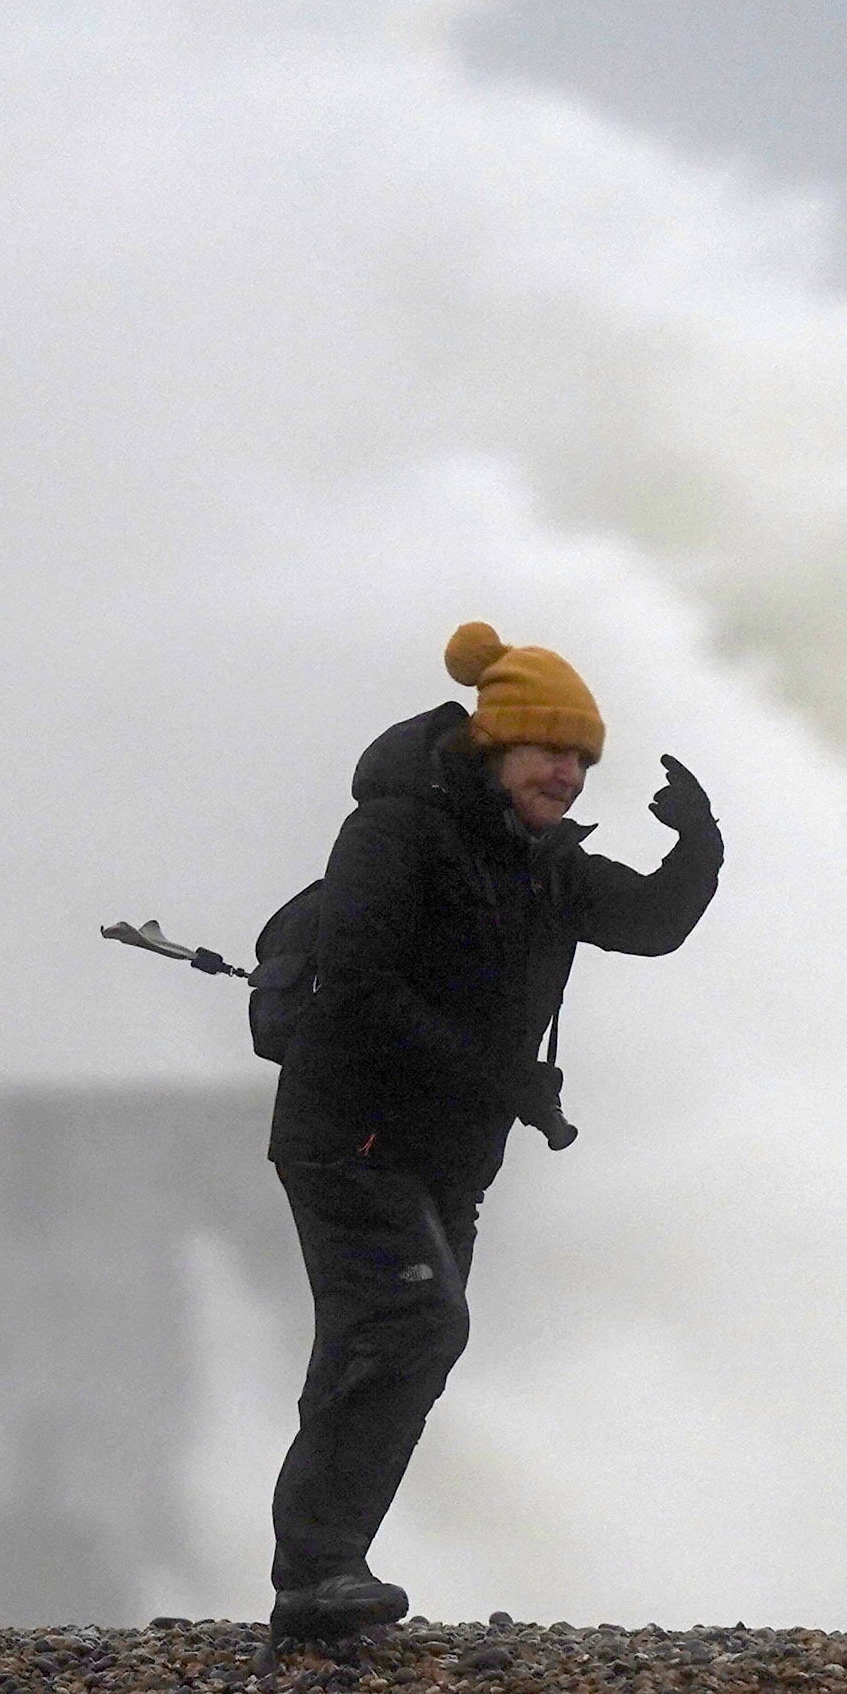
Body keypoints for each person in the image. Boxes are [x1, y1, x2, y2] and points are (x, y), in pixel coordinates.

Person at [263, 621, 725, 1641]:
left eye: (580, 758)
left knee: (391, 1342)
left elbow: (650, 922)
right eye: (547, 748)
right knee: (413, 1325)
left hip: (447, 1155)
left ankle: (321, 1573)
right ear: (494, 742)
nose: (566, 772)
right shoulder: (396, 833)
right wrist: (502, 1075)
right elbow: (359, 988)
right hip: (352, 1135)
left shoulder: (545, 866)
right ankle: (318, 1569)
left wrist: (699, 846)